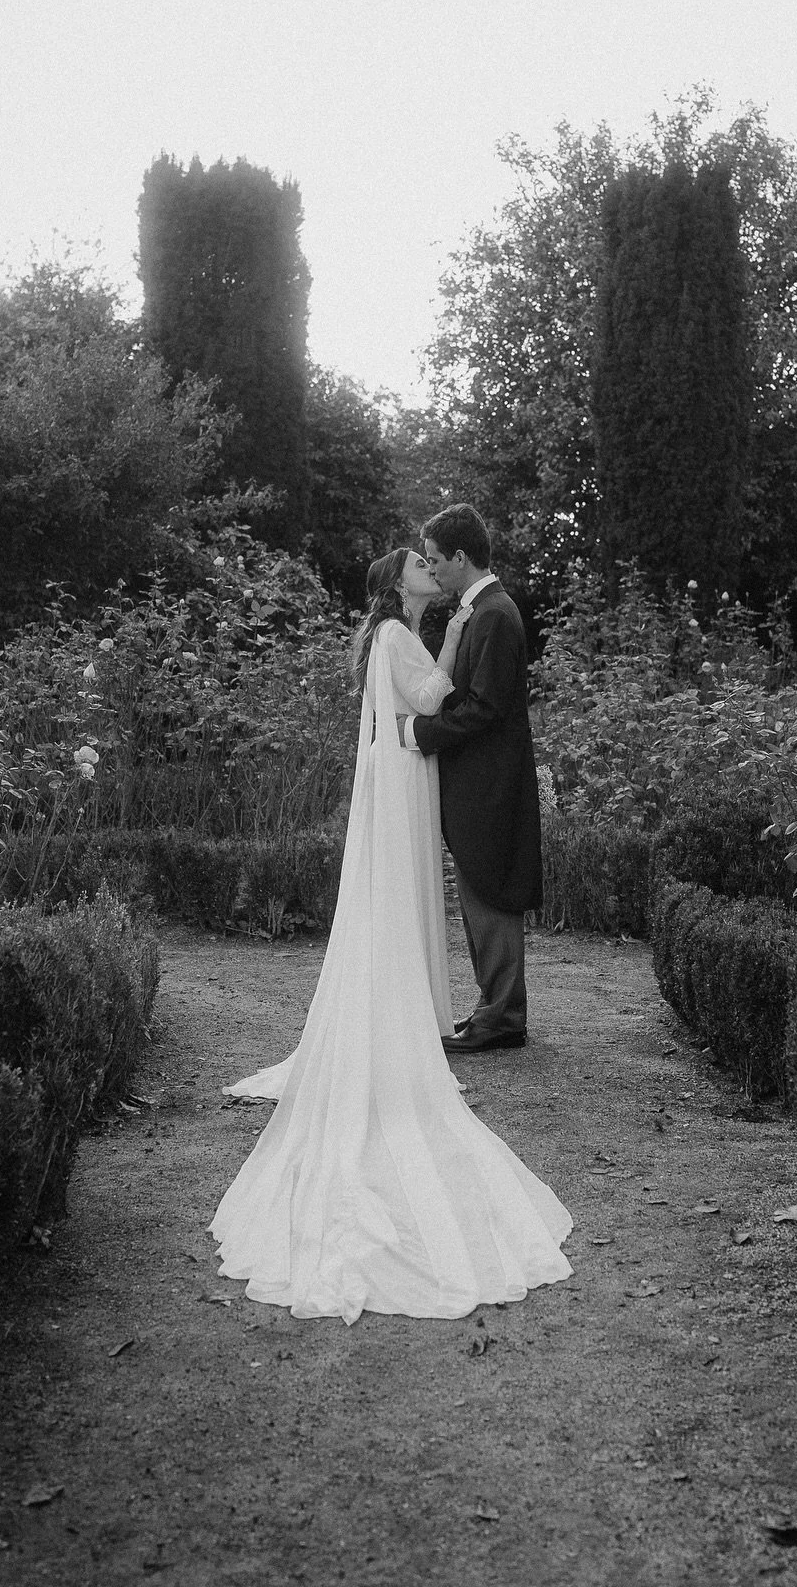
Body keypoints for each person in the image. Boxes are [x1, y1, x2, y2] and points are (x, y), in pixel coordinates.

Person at [209, 546, 572, 1323]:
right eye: (416, 564)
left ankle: (415, 1009)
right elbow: (436, 698)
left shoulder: (393, 634)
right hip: (405, 770)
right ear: (395, 583)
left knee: (399, 897)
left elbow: (424, 698)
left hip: (401, 769)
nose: (427, 567)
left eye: (431, 560)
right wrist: (452, 638)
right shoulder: (399, 635)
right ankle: (407, 1016)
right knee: (402, 895)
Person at [400, 504, 542, 1053]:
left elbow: (485, 708)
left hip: (490, 786)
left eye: (436, 559)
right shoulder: (482, 612)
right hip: (480, 784)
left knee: (491, 894)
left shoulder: (495, 614)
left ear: (461, 556)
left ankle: (503, 1017)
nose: (432, 569)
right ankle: (495, 1009)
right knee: (480, 895)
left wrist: (420, 732)